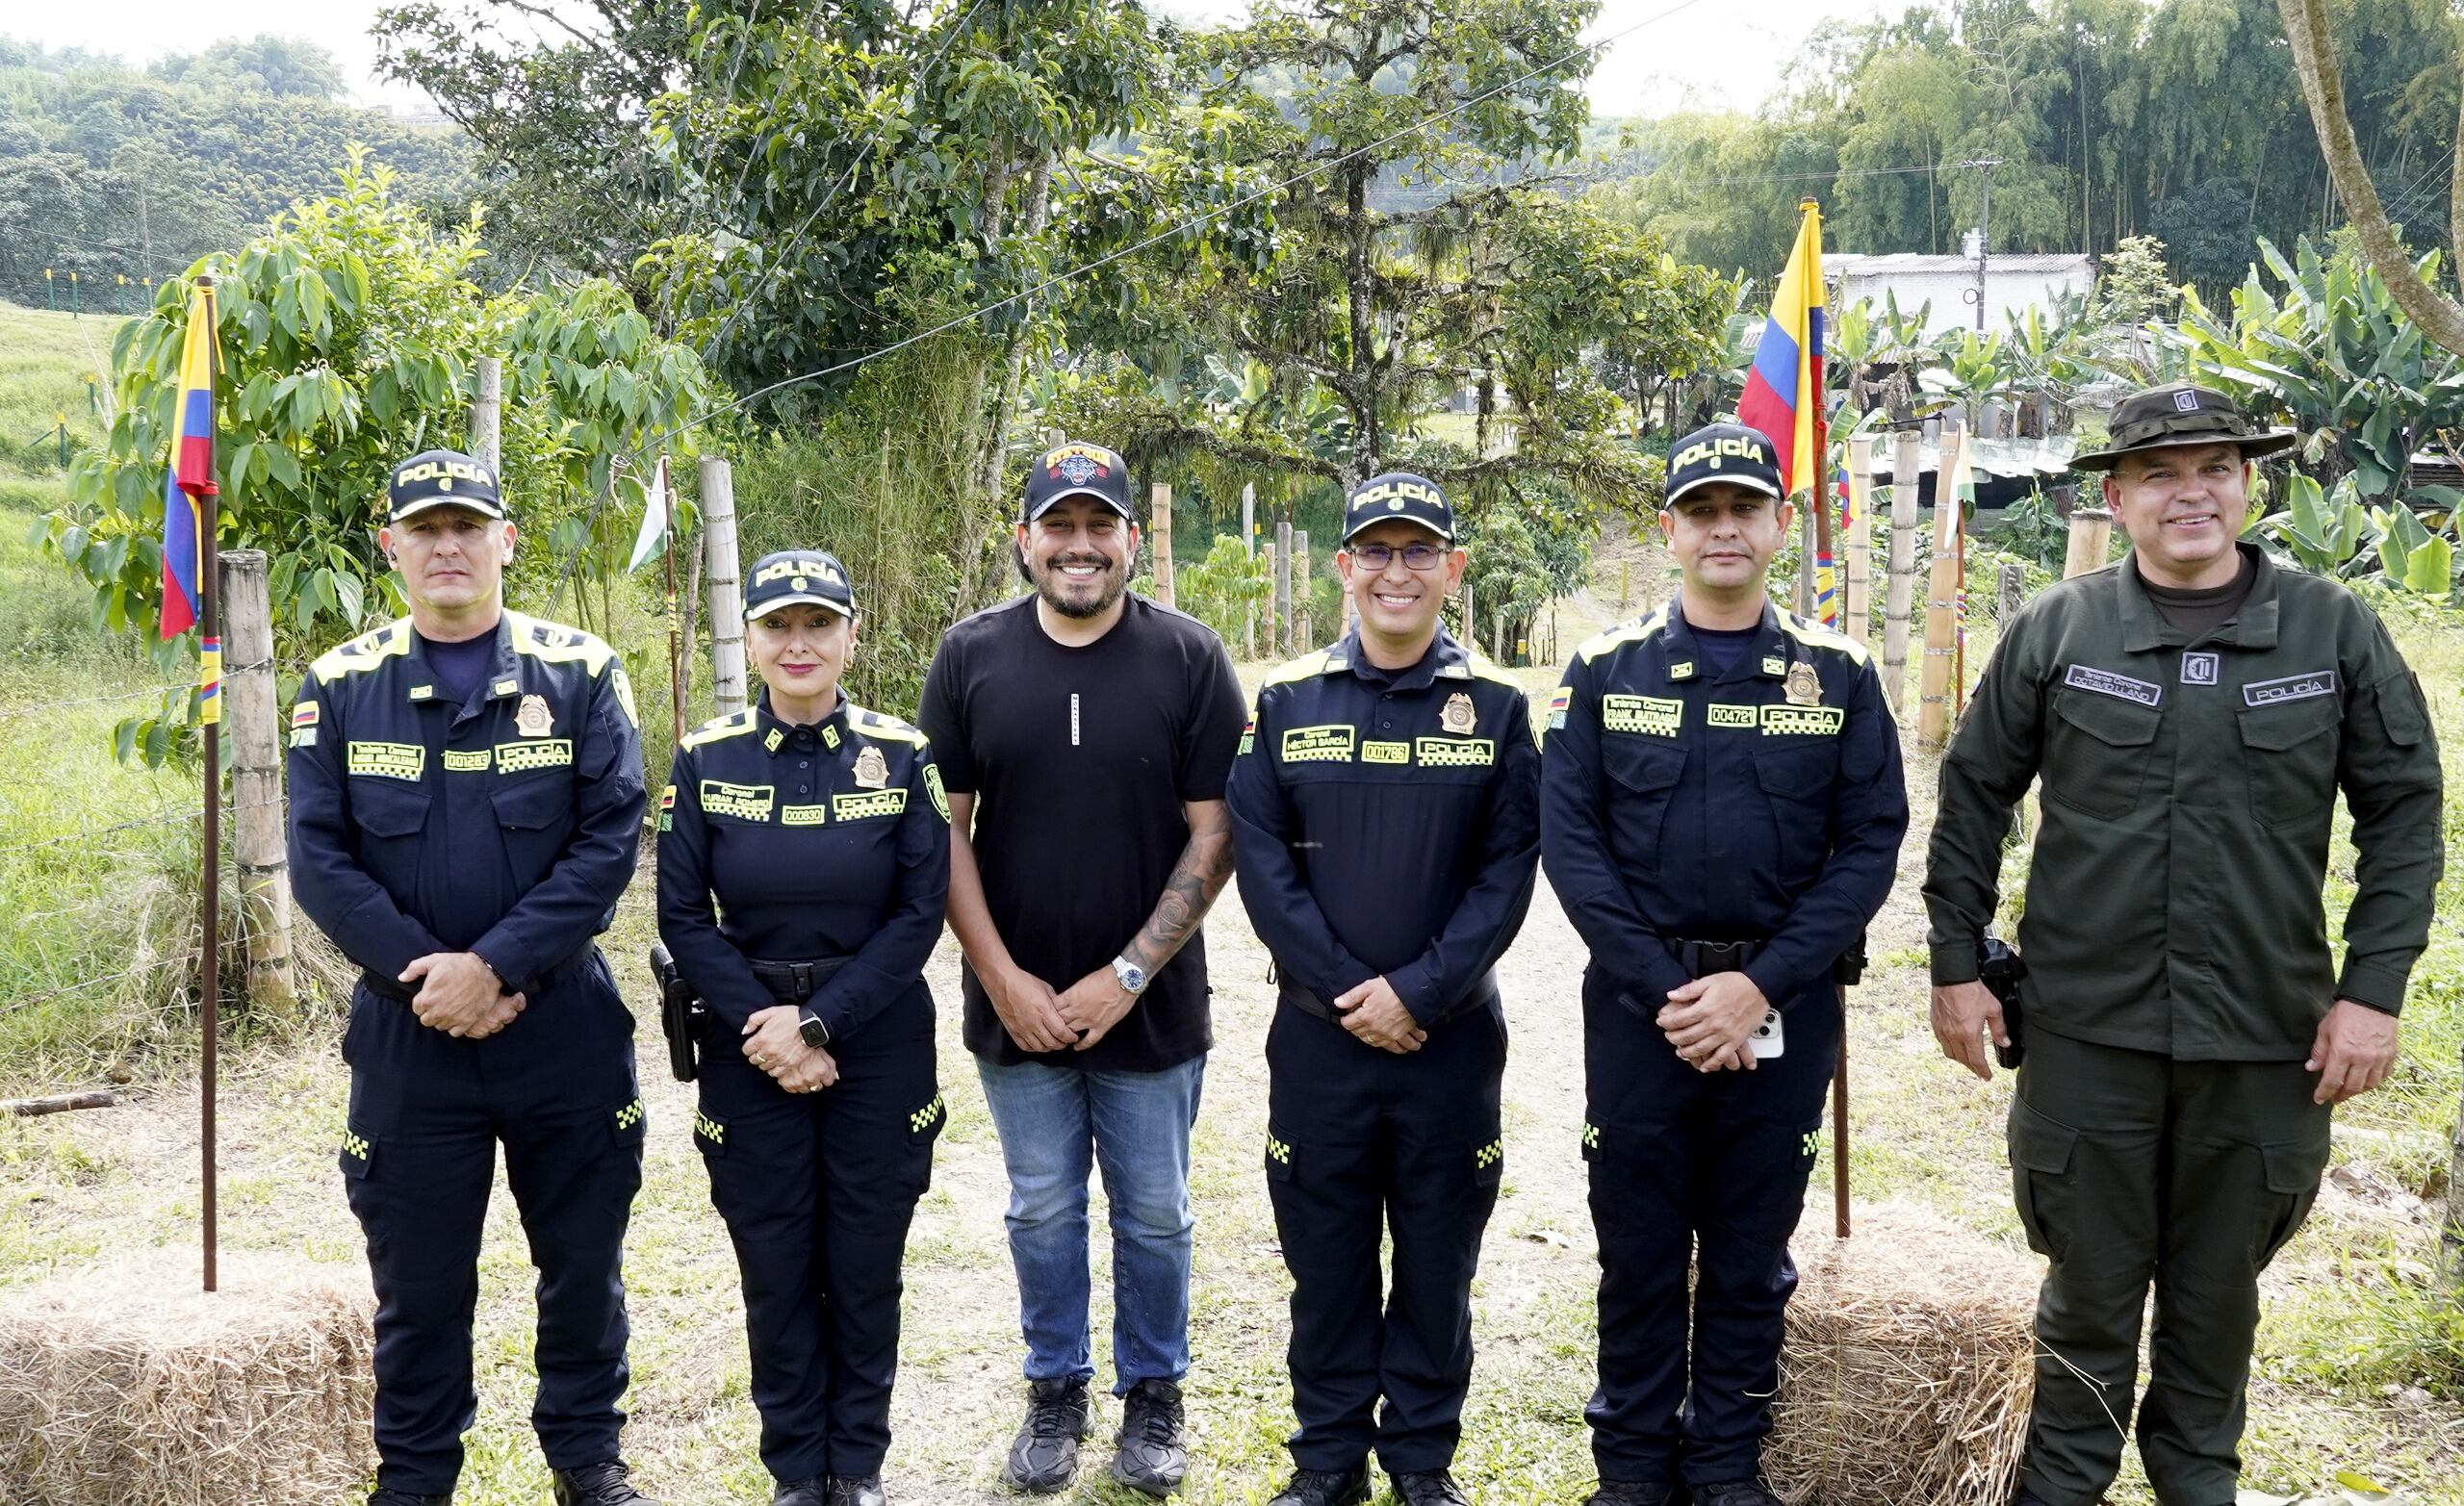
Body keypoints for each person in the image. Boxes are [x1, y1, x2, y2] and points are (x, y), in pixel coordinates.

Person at [1922, 382, 2444, 1506]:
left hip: (2265, 1040)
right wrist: (1955, 967)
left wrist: (2374, 992)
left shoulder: (2331, 628)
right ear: (2115, 499)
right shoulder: (2059, 628)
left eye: (2214, 467)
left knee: (2216, 1306)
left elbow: (2405, 809)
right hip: (2085, 1035)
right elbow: (1972, 796)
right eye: (2159, 473)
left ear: (2249, 485)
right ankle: (2057, 1487)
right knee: (2087, 1297)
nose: (2190, 492)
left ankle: (2196, 1485)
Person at [1541, 422, 1908, 1506]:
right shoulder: (1604, 672)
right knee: (1640, 1245)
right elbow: (1574, 848)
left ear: (1780, 526)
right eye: (1700, 510)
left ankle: (1725, 1465)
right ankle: (1634, 1467)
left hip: (1783, 1009)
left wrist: (1757, 986)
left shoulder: (1837, 674)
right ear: (1669, 531)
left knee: (1751, 1250)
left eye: (1744, 508)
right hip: (1639, 1010)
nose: (1723, 527)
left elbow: (1868, 841)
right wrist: (1675, 992)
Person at [288, 449, 654, 1506]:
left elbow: (607, 837)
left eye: (468, 525)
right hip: (410, 1041)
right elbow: (319, 855)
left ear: (506, 540)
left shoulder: (580, 669)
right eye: (425, 528)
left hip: (561, 1025)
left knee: (582, 1265)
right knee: (419, 1281)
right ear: (391, 545)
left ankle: (586, 1460)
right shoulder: (341, 684)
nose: (447, 545)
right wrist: (427, 982)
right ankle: (414, 1478)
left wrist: (492, 966)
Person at [917, 440, 1246, 1497]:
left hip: (1148, 1005)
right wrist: (1002, 976)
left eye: (1099, 525)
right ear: (1023, 541)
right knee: (1041, 1207)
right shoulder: (968, 655)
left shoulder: (1190, 657)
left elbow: (1214, 835)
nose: (1079, 545)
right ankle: (1054, 1387)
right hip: (1013, 1004)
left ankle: (1155, 1396)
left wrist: (1129, 972)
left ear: (1131, 541)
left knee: (1156, 1211)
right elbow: (944, 834)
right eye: (1058, 525)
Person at [1226, 472, 1541, 1506]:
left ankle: (1419, 1460)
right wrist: (1351, 989)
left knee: (1437, 1260)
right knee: (1324, 1261)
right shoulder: (1285, 698)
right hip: (1318, 1042)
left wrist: (1418, 990)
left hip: (1447, 1041)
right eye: (1376, 550)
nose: (1396, 570)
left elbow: (1508, 871)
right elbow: (1264, 867)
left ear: (1453, 568)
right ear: (1343, 567)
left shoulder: (1495, 707)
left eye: (1419, 551)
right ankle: (1325, 1461)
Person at [656, 549, 952, 1506]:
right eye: (777, 625)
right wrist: (769, 1027)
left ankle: (856, 1463)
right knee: (776, 1263)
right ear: (748, 638)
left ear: (849, 635)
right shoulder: (706, 757)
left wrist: (821, 1022)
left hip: (876, 1036)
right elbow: (682, 917)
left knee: (864, 1263)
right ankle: (794, 1468)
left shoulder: (901, 752)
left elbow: (918, 912)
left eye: (816, 624)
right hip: (749, 1046)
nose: (797, 643)